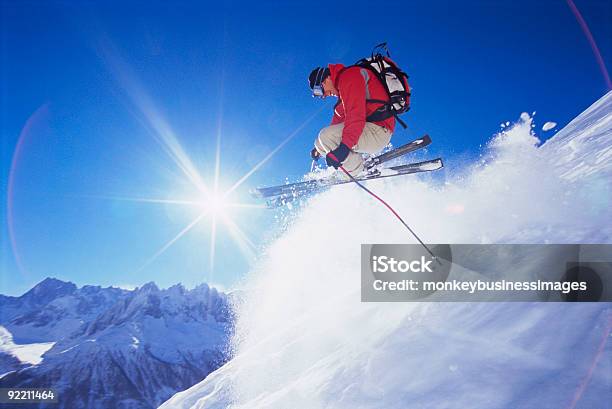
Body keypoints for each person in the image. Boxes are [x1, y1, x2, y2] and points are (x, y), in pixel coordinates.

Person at [308, 63, 396, 177]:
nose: (324, 95)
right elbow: (337, 123)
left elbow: (355, 116)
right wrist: (318, 149)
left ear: (327, 78)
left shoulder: (350, 77)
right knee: (320, 141)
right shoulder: (343, 92)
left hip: (379, 130)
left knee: (326, 136)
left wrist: (344, 148)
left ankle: (359, 170)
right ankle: (354, 164)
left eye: (320, 90)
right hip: (368, 131)